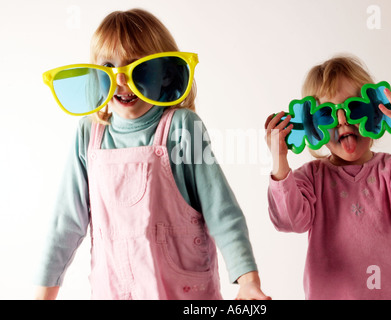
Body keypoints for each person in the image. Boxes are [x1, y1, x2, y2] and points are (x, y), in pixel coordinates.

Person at [35, 8, 270, 300]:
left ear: (167, 74)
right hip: (114, 291)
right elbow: (65, 223)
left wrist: (248, 280)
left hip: (181, 294)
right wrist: (43, 295)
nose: (120, 79)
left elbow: (221, 209)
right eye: (108, 66)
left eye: (137, 66)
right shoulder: (89, 134)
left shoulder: (182, 127)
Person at [265, 55, 391, 299]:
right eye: (326, 114)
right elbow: (289, 221)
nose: (343, 121)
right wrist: (280, 160)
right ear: (312, 127)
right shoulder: (312, 178)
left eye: (355, 108)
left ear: (377, 112)